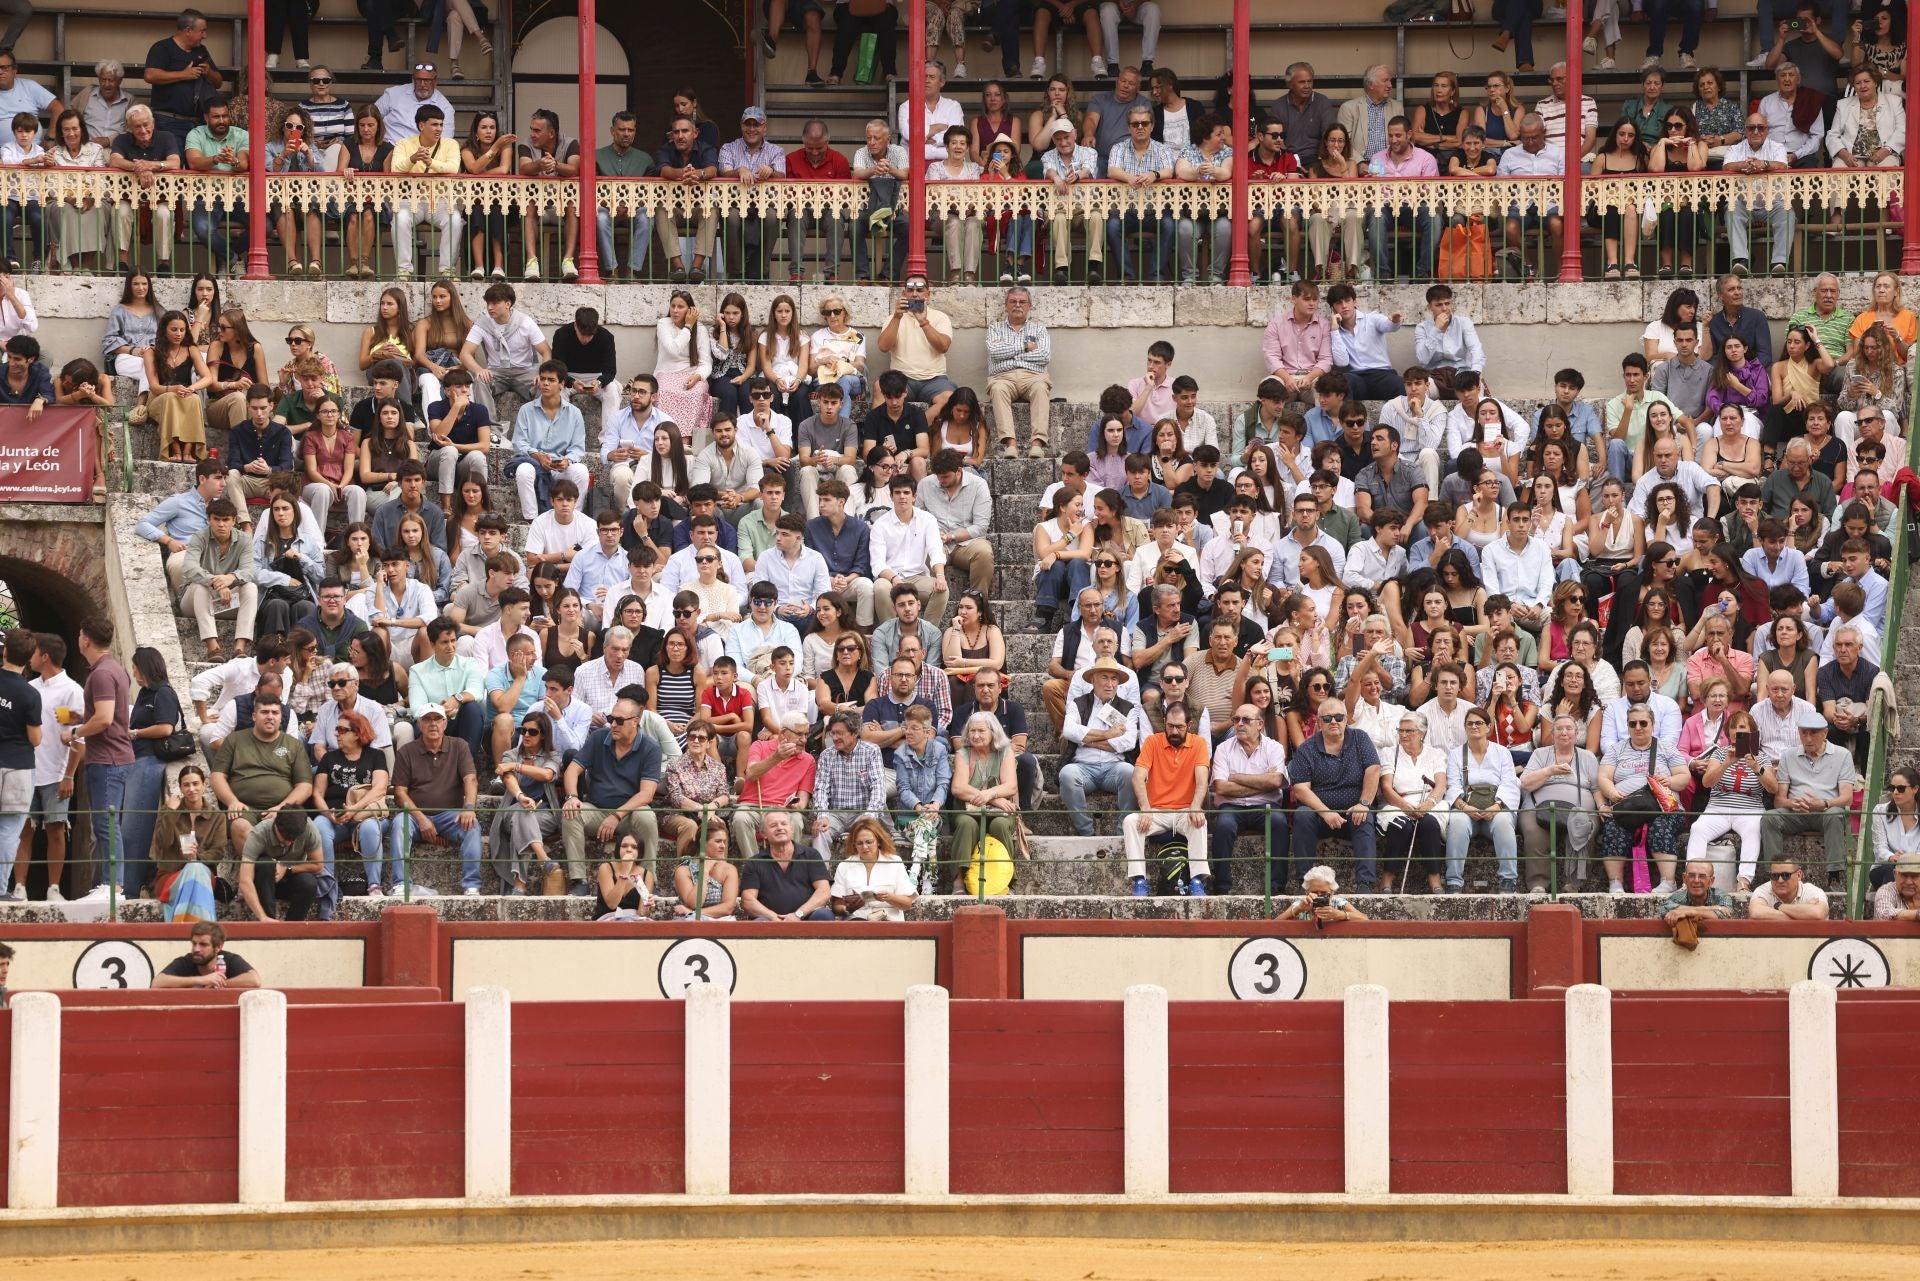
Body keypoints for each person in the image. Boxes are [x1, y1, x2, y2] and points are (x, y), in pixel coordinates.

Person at [1595, 702, 1691, 895]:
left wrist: (1670, 780)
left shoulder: (1666, 748)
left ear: (1652, 724)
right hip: (1627, 806)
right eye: (1632, 724)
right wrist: (1611, 792)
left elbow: (1684, 777)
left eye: (1643, 723)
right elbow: (1603, 777)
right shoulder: (1616, 749)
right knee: (1613, 825)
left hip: (1664, 808)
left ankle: (1668, 881)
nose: (1638, 728)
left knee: (1660, 825)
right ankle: (1615, 882)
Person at [1760, 705, 1856, 881]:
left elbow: (1847, 798)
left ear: (1825, 733)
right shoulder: (1788, 756)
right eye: (1804, 733)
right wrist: (1792, 803)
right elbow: (1779, 800)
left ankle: (1835, 872)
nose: (1808, 738)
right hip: (1797, 812)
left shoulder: (1842, 755)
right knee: (1769, 817)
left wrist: (1824, 804)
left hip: (1825, 811)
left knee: (1835, 814)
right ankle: (1775, 871)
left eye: (1813, 733)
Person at [985, 286, 1051, 458]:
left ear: (1029, 306)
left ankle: (1037, 444)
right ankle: (1010, 444)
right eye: (1013, 301)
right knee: (998, 389)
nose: (1017, 305)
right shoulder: (995, 328)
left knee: (1040, 388)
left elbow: (1044, 355)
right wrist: (1024, 348)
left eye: (1022, 302)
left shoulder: (1039, 329)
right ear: (1006, 305)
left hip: (1033, 377)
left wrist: (1010, 355)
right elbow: (995, 352)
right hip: (1003, 378)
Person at [740, 810, 833, 921]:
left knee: (824, 916)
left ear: (792, 829)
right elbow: (748, 901)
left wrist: (798, 914)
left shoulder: (811, 855)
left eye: (784, 824)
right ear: (763, 834)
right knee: (760, 923)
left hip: (806, 917)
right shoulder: (754, 863)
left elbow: (824, 891)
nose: (780, 828)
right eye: (773, 825)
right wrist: (773, 917)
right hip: (770, 920)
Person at [154, 922, 261, 989]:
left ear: (218, 947)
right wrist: (202, 980)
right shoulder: (186, 961)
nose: (196, 949)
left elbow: (254, 980)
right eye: (194, 943)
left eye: (203, 945)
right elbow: (157, 982)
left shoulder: (229, 959)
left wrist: (218, 984)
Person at [1274, 865, 1370, 923]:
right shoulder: (1301, 904)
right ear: (1307, 892)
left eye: (1324, 893)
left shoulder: (1338, 903)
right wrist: (1299, 909)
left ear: (1332, 892)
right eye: (1314, 892)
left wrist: (1338, 914)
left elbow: (1365, 919)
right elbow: (1274, 924)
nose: (1319, 895)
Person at [1748, 858, 1830, 919]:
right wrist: (1802, 913)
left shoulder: (1812, 891)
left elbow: (1817, 914)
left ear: (1799, 875)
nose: (1780, 880)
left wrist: (1779, 906)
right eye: (1774, 876)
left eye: (1786, 875)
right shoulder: (1763, 890)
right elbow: (1756, 912)